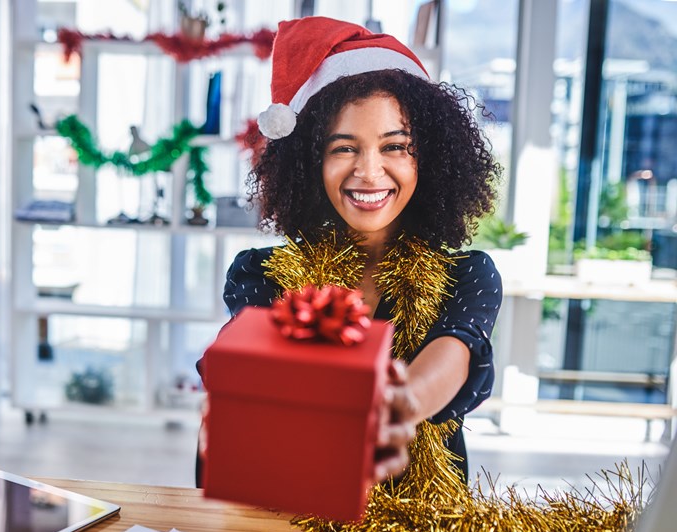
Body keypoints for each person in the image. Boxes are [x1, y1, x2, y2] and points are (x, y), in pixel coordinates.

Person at [196, 14, 501, 506]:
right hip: (290, 501)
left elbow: (455, 350)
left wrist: (402, 405)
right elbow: (243, 344)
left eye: (395, 146)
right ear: (309, 163)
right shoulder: (261, 272)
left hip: (421, 512)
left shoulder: (467, 276)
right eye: (344, 148)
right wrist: (233, 391)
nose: (369, 171)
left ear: (431, 158)